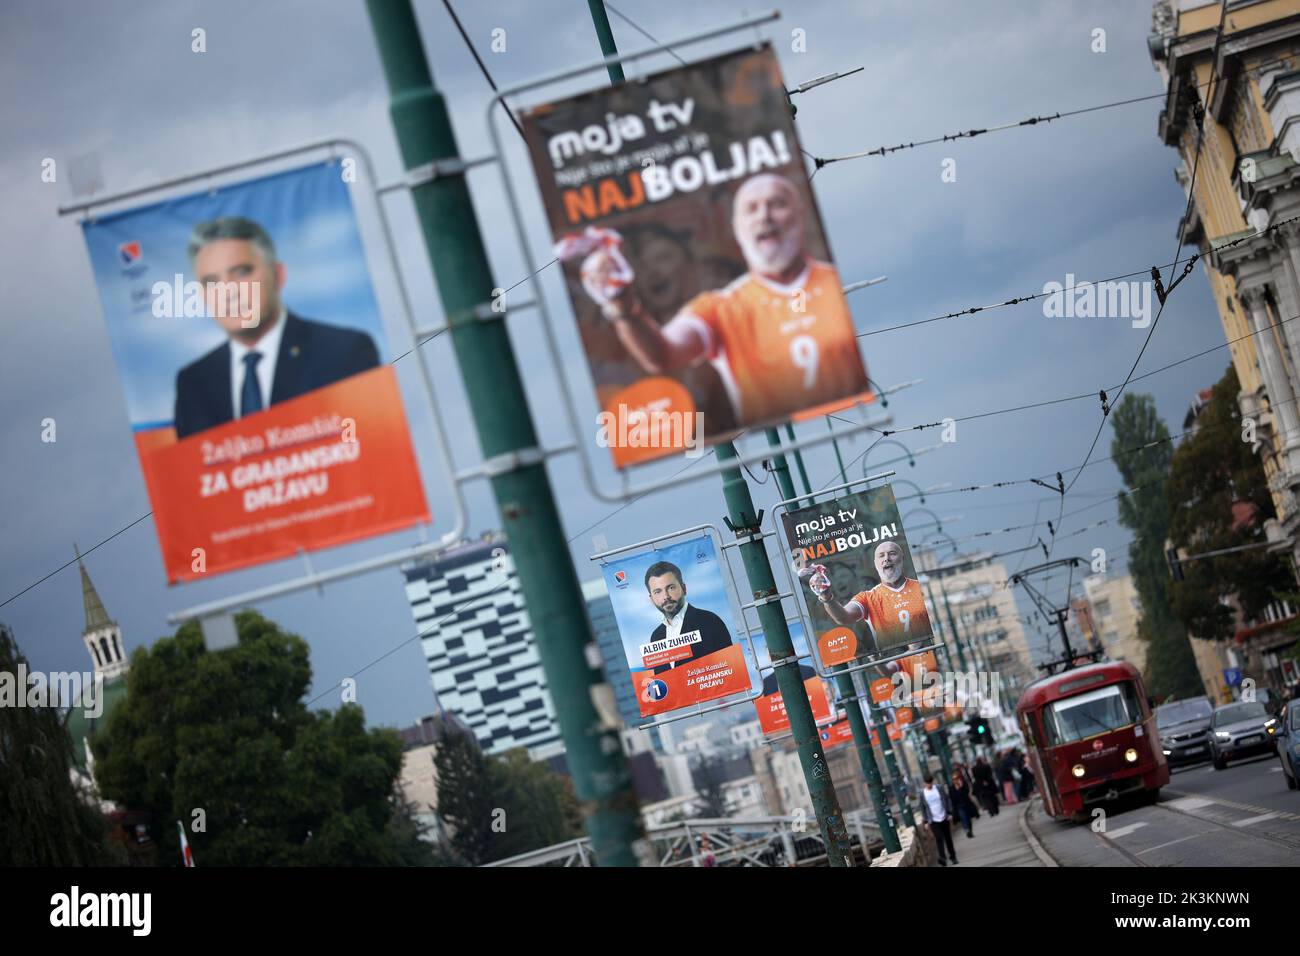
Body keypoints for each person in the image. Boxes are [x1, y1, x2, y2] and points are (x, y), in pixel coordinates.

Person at [574, 172, 869, 428]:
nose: (764, 216)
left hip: (850, 419)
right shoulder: (720, 307)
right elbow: (661, 355)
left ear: (800, 215)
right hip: (770, 432)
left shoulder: (834, 282)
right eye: (751, 209)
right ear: (738, 228)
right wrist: (622, 305)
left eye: (777, 204)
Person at [173, 217, 380, 439]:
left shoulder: (343, 352)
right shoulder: (193, 383)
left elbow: (373, 448)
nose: (228, 293)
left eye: (242, 272)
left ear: (278, 275)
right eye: (211, 282)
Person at [799, 540, 933, 649]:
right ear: (876, 563)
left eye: (892, 553)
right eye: (881, 556)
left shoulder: (919, 587)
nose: (886, 559)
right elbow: (844, 617)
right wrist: (826, 597)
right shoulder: (867, 597)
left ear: (902, 558)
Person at [643, 561, 734, 675]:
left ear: (684, 588)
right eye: (658, 592)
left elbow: (729, 668)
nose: (665, 596)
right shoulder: (656, 636)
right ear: (652, 599)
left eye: (671, 588)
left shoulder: (709, 621)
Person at [919, 771, 958, 866]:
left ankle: (953, 857)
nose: (929, 785)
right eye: (928, 783)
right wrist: (925, 821)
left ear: (933, 781)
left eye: (930, 782)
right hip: (933, 820)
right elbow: (923, 808)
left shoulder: (939, 788)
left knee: (948, 838)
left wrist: (949, 812)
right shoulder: (922, 794)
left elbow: (947, 799)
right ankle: (943, 858)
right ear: (924, 783)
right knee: (939, 838)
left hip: (944, 817)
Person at [949, 770, 978, 838]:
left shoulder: (963, 784)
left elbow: (967, 793)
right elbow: (952, 798)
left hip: (966, 804)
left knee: (968, 819)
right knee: (963, 818)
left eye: (956, 778)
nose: (955, 780)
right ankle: (966, 830)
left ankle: (970, 831)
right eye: (954, 779)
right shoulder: (951, 788)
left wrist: (961, 787)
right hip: (959, 806)